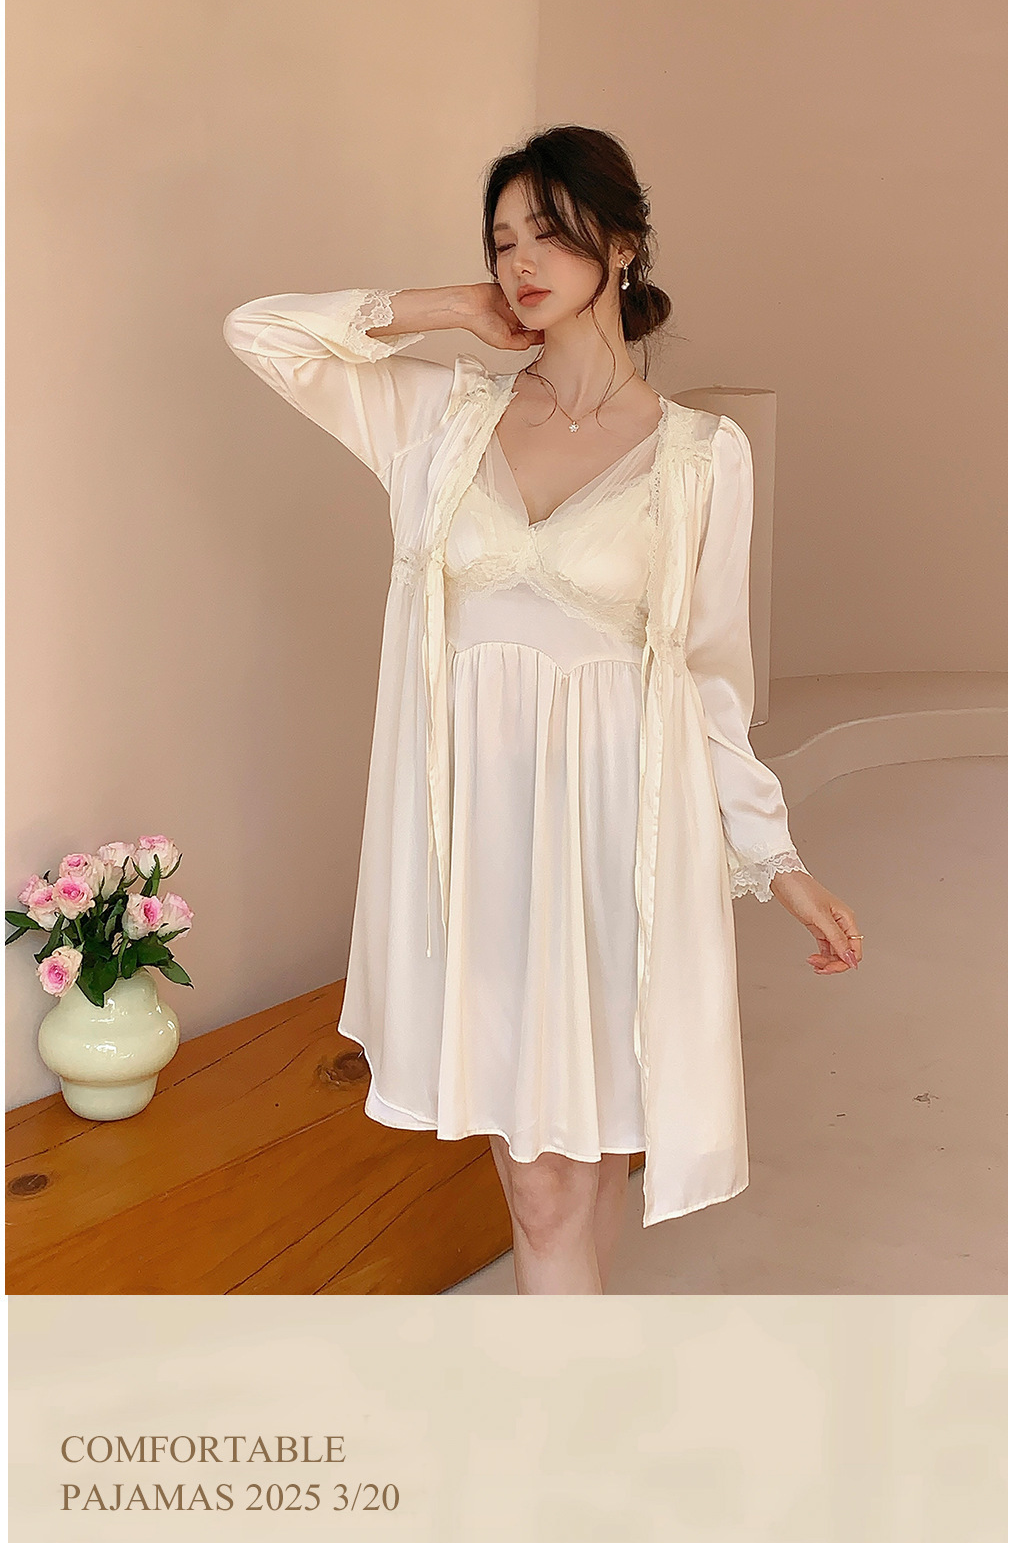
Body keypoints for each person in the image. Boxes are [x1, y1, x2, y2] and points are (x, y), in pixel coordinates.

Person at [223, 124, 864, 1296]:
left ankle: (562, 1397)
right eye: (501, 238)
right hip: (477, 847)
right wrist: (447, 309)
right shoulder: (440, 419)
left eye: (548, 233)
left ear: (619, 244)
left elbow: (707, 678)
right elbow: (259, 332)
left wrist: (776, 860)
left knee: (575, 1171)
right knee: (547, 1184)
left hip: (609, 848)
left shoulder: (700, 458)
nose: (520, 259)